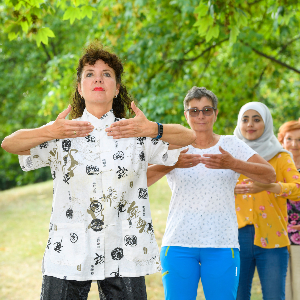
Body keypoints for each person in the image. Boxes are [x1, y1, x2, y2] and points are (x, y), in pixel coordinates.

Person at [1, 41, 196, 300]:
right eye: (90, 74)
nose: (98, 80)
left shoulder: (135, 131)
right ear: (80, 88)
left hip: (124, 246)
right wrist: (49, 131)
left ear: (116, 89)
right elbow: (9, 144)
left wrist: (153, 129)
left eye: (107, 74)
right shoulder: (61, 132)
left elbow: (189, 136)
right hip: (68, 249)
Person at [147, 87, 276, 300]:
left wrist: (233, 163)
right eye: (194, 110)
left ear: (215, 113)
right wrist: (172, 163)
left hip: (222, 245)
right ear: (186, 115)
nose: (201, 116)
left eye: (207, 110)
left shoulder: (231, 145)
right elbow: (140, 180)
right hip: (179, 243)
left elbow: (269, 175)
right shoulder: (171, 148)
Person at [234, 103, 300, 300]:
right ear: (239, 123)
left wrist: (269, 186)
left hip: (273, 237)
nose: (250, 124)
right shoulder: (229, 156)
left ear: (266, 123)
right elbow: (212, 189)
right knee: (237, 296)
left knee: (274, 297)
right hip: (235, 237)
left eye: (257, 119)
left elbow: (297, 189)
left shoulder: (280, 157)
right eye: (245, 119)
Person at [278, 119, 300, 300]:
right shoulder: (273, 168)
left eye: (299, 140)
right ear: (281, 142)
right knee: (282, 293)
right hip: (278, 239)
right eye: (289, 139)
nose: (294, 144)